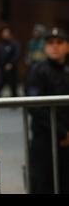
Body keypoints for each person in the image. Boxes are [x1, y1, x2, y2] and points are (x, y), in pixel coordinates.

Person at [25, 27, 69, 194]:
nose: (55, 46)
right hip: (45, 141)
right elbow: (36, 107)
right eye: (50, 43)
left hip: (67, 142)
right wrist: (62, 133)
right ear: (45, 47)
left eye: (59, 42)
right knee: (44, 184)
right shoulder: (38, 71)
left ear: (67, 47)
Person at [0, 27, 20, 97]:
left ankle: (15, 104)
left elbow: (16, 55)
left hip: (12, 71)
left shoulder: (14, 44)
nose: (5, 35)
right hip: (3, 71)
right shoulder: (1, 45)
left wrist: (11, 63)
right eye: (4, 33)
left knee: (13, 89)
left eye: (6, 33)